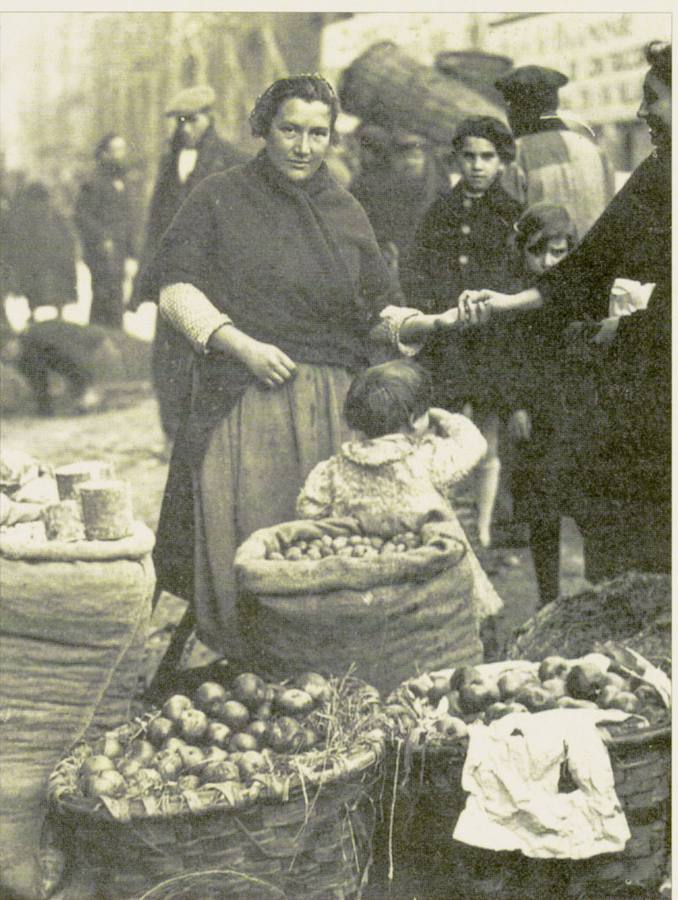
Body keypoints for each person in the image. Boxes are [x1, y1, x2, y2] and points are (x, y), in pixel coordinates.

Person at [145, 74, 464, 680]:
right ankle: (250, 664)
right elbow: (175, 289)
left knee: (324, 545)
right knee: (256, 540)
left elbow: (373, 313)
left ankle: (320, 668)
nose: (303, 146)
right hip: (245, 399)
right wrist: (239, 345)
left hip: (331, 407)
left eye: (318, 133)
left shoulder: (344, 208)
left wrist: (427, 322)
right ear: (265, 128)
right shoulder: (221, 196)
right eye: (290, 129)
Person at [459, 41, 671, 582]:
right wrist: (512, 302)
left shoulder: (522, 156)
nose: (642, 113)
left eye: (654, 98)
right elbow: (592, 259)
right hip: (608, 326)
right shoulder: (629, 161)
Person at [296, 358, 503, 622]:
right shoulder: (426, 459)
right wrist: (445, 417)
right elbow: (474, 444)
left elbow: (309, 507)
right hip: (430, 575)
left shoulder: (333, 469)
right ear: (416, 421)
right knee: (450, 623)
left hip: (364, 576)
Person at [401, 115, 524, 548]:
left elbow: (521, 278)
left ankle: (484, 528)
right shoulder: (439, 211)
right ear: (456, 158)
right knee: (442, 428)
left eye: (487, 157)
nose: (477, 166)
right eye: (469, 156)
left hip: (494, 341)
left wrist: (496, 306)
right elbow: (418, 268)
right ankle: (445, 518)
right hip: (449, 340)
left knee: (488, 435)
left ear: (503, 161)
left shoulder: (513, 216)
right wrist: (439, 311)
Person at [130, 84, 248, 443]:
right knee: (167, 359)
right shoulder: (169, 163)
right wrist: (143, 280)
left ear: (210, 119)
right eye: (178, 122)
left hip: (214, 279)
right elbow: (155, 224)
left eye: (191, 120)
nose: (184, 129)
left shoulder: (231, 160)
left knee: (211, 353)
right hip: (172, 276)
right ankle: (172, 434)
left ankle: (211, 435)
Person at [499, 203, 581, 603]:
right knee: (541, 506)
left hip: (575, 407)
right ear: (524, 250)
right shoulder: (513, 296)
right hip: (535, 412)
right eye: (541, 251)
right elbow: (503, 356)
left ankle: (594, 590)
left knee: (585, 501)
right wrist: (514, 406)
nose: (551, 261)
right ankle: (548, 594)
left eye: (560, 252)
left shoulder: (576, 291)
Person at [496, 65, 615, 238]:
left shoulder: (517, 154)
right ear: (554, 104)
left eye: (510, 105)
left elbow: (508, 227)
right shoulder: (593, 150)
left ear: (515, 108)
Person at [351, 127, 448, 278]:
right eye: (404, 157)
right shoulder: (382, 190)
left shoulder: (439, 192)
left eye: (416, 157)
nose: (409, 162)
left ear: (426, 160)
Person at [74, 133, 136, 329]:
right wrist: (103, 237)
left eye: (123, 149)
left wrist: (130, 247)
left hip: (118, 251)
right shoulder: (93, 181)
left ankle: (114, 340)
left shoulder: (122, 180)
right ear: (104, 154)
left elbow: (127, 217)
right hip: (100, 252)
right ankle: (100, 342)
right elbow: (81, 215)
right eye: (116, 150)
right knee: (103, 298)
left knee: (115, 296)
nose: (121, 154)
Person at [0, 319, 124, 416]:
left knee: (89, 401)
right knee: (76, 401)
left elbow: (75, 357)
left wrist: (85, 390)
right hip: (81, 355)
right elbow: (38, 382)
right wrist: (44, 409)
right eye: (2, 356)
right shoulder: (25, 355)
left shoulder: (40, 338)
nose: (6, 357)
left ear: (13, 340)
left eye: (5, 350)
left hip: (98, 345)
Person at [3, 182, 77, 320]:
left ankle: (36, 312)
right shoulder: (53, 215)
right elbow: (67, 237)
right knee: (50, 285)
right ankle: (57, 312)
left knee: (37, 284)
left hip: (42, 259)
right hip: (50, 259)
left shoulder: (29, 216)